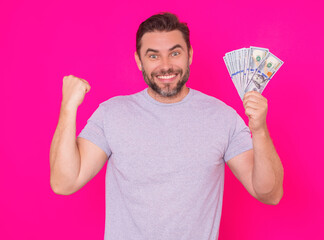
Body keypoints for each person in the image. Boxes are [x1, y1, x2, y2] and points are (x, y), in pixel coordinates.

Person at [50, 12, 284, 240]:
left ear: (189, 55)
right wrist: (68, 108)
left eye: (174, 53)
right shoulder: (112, 113)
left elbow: (269, 194)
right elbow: (64, 182)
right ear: (138, 61)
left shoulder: (223, 117)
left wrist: (260, 131)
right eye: (153, 56)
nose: (165, 66)